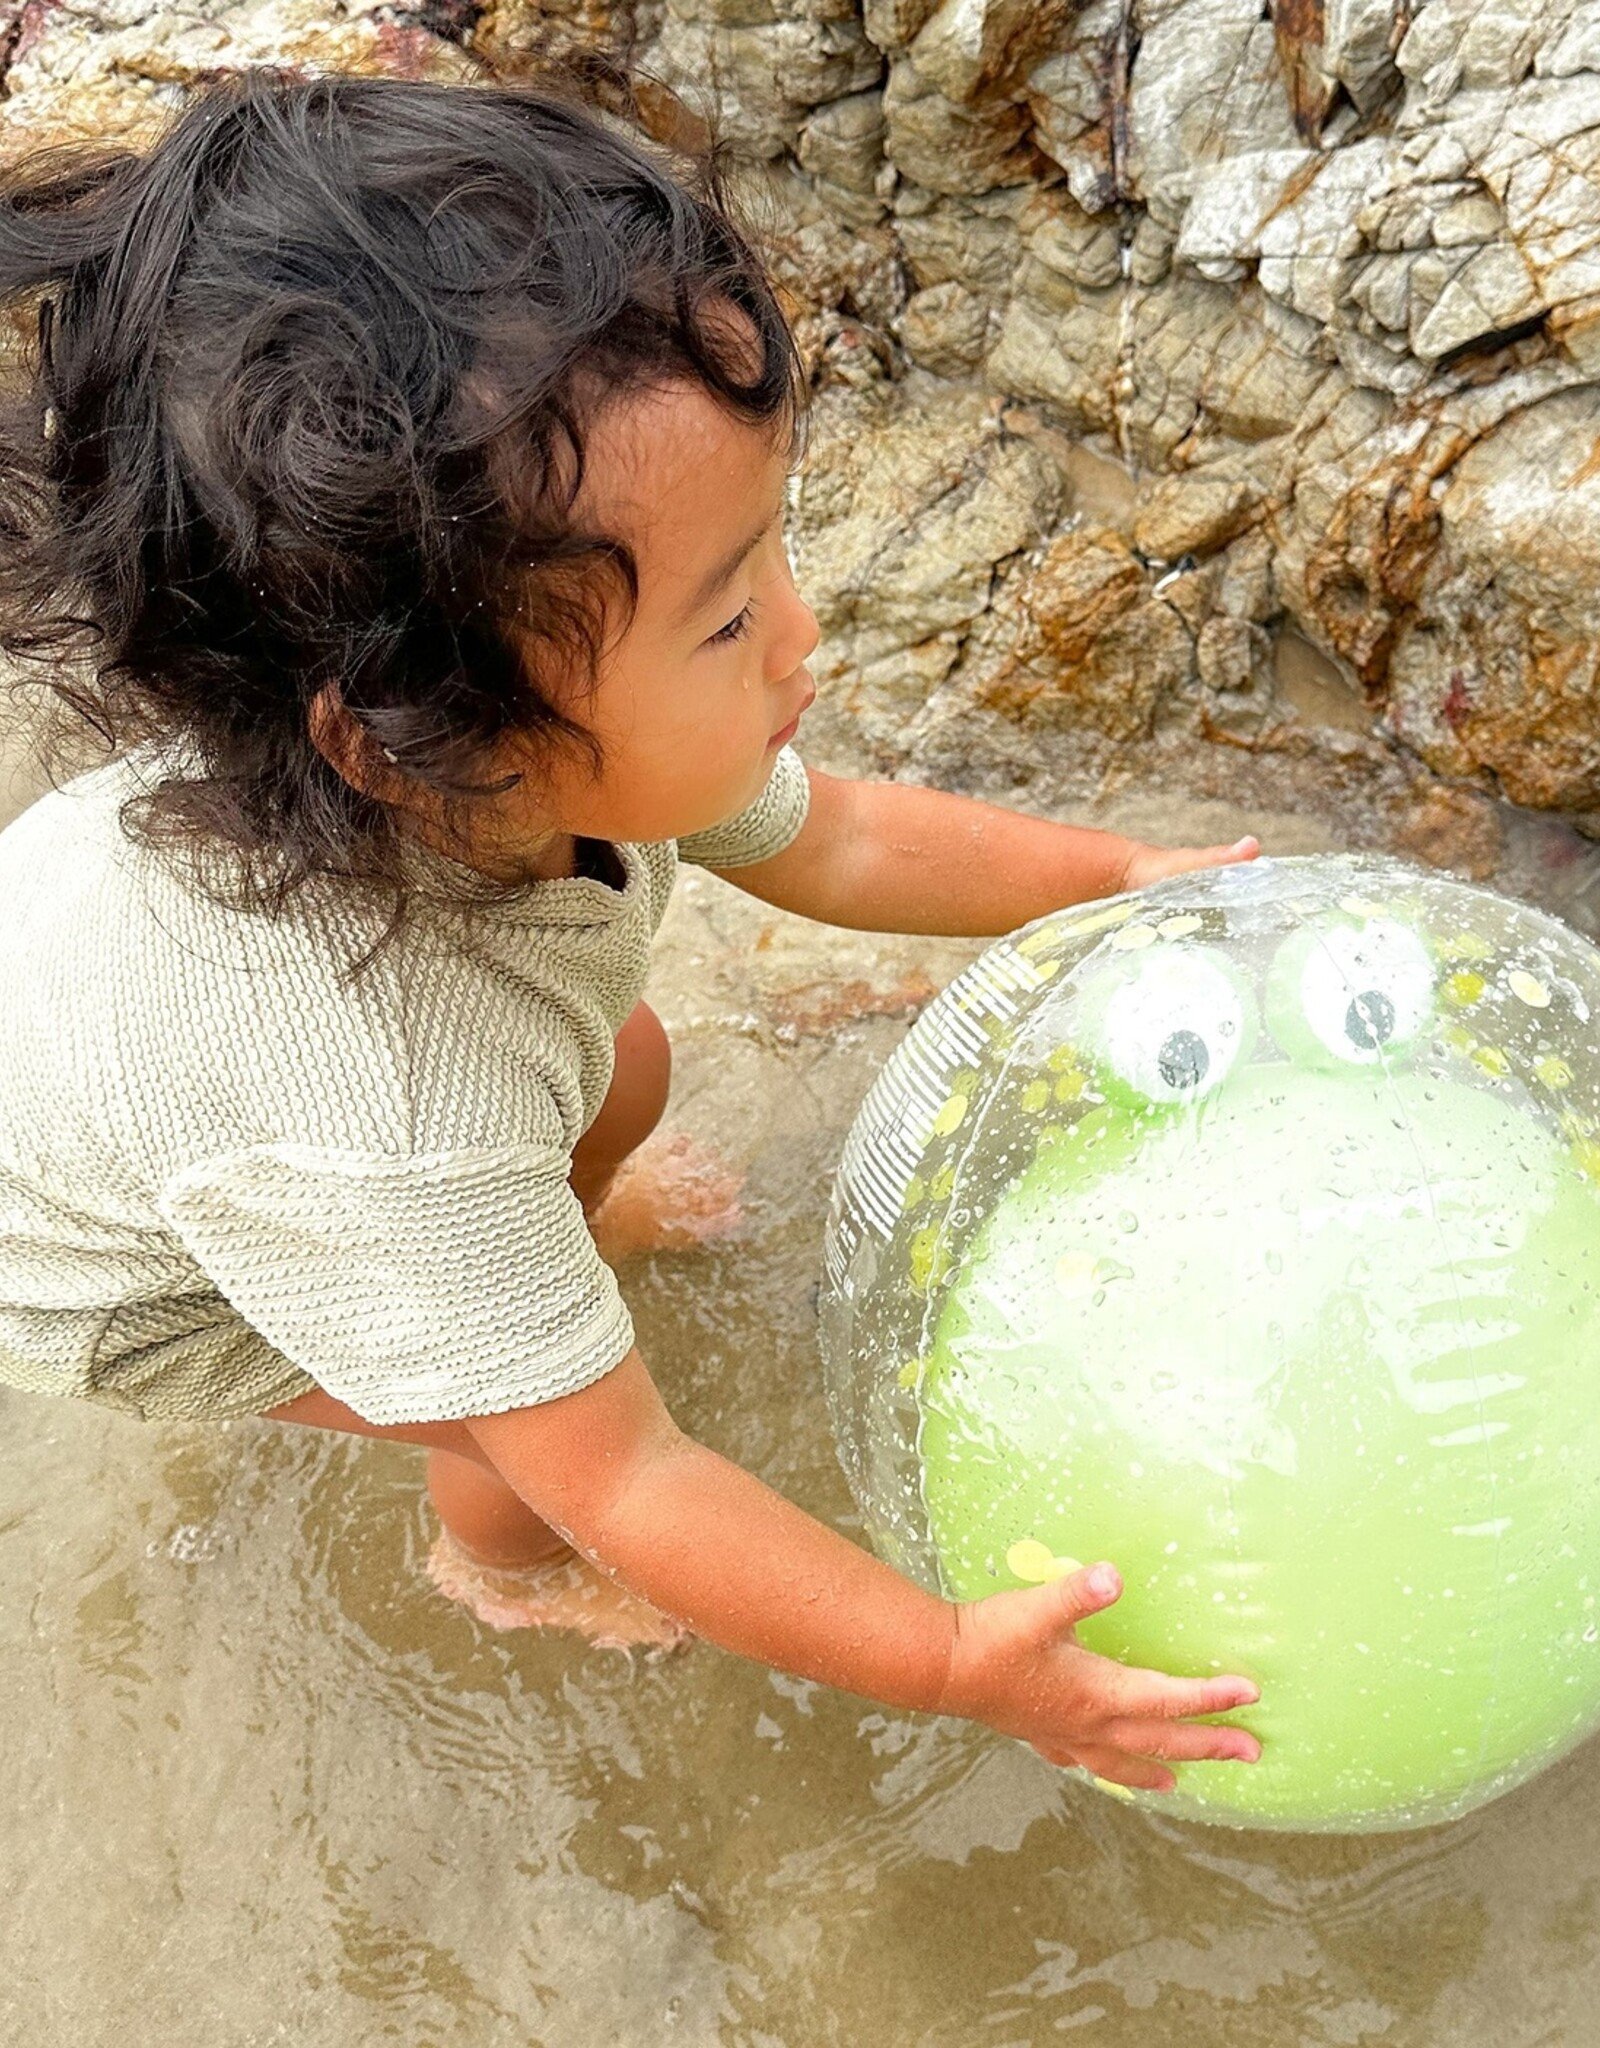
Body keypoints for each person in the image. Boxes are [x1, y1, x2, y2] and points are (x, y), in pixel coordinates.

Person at [0, 69, 1263, 1796]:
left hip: (111, 1029)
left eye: (773, 557)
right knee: (512, 1430)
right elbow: (639, 1478)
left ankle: (554, 1264)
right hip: (128, 1264)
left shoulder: (515, 752)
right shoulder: (389, 1122)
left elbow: (852, 836)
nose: (805, 642)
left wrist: (1114, 879)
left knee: (635, 1057)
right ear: (430, 743)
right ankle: (494, 1576)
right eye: (733, 613)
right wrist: (952, 1661)